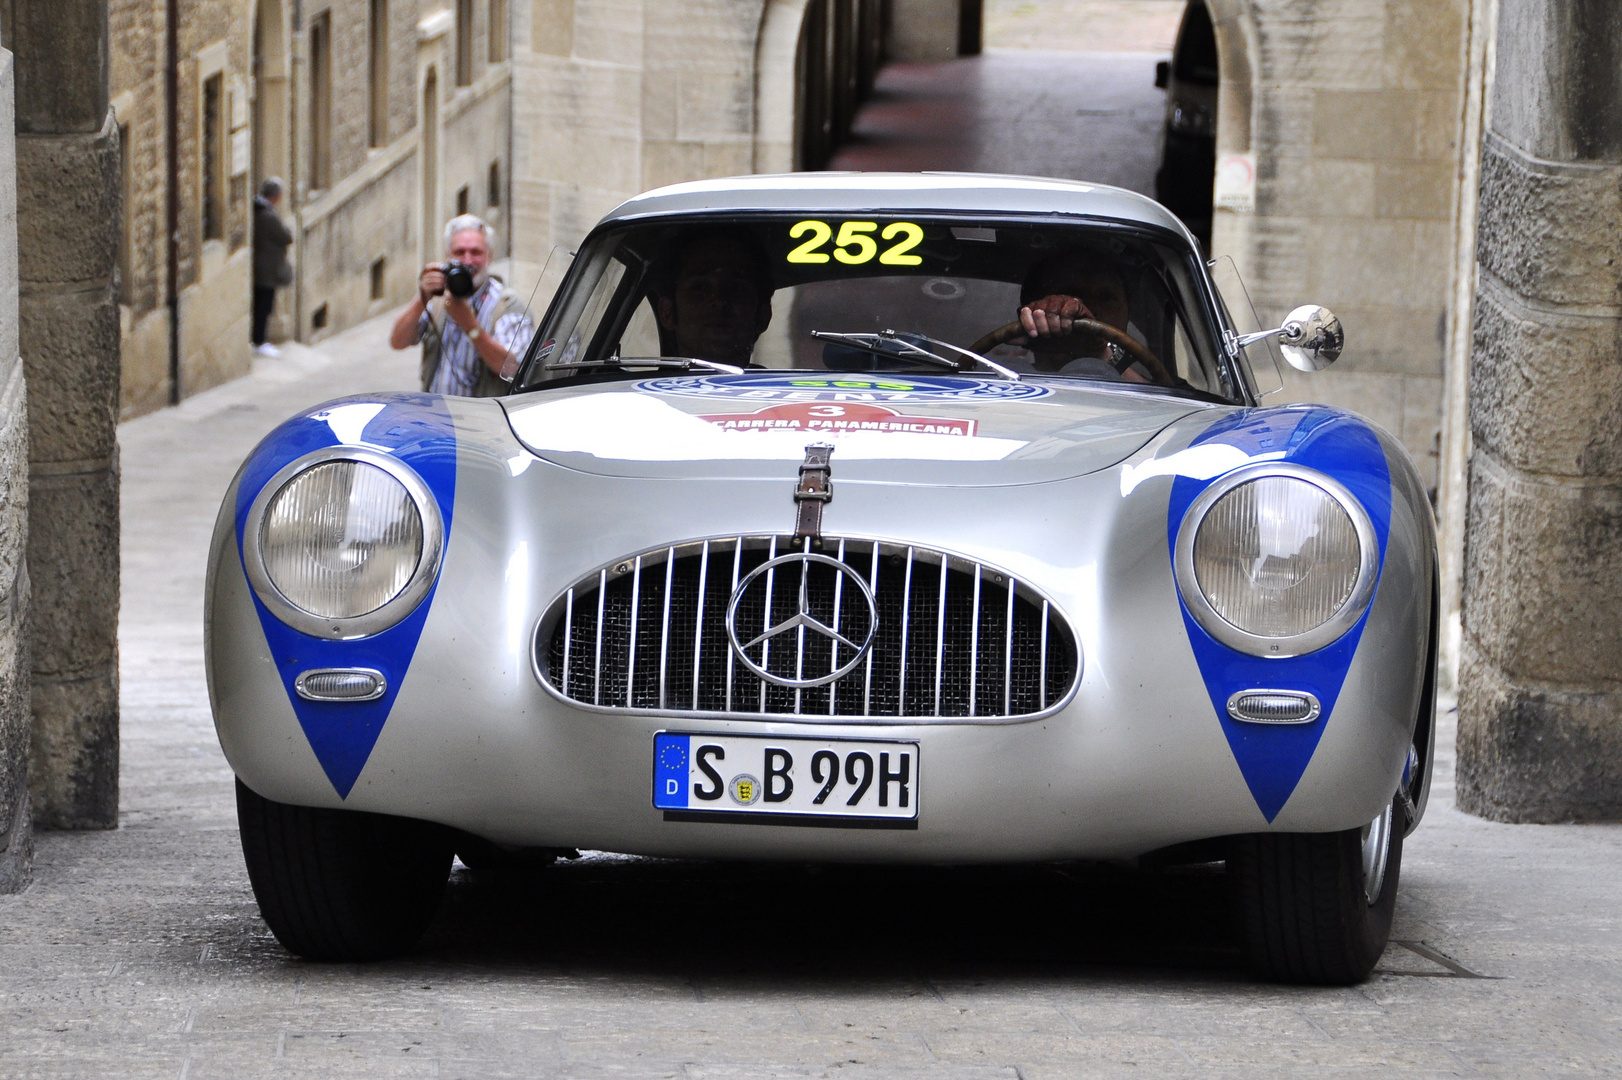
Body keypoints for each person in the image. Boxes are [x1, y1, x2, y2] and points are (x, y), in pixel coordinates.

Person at [390, 215, 533, 396]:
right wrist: (422, 297)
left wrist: (470, 326)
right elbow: (397, 342)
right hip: (436, 413)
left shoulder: (507, 304)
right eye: (459, 252)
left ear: (489, 257)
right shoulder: (438, 299)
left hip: (480, 419)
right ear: (448, 257)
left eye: (476, 252)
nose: (467, 261)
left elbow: (513, 368)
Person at [990, 250, 1153, 382]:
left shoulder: (1160, 400)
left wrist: (1099, 352)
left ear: (1127, 312)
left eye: (1105, 297)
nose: (1089, 308)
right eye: (1069, 294)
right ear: (1031, 311)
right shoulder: (991, 381)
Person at [652, 228, 774, 367]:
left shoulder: (788, 389)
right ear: (667, 312)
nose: (719, 301)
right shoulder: (627, 388)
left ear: (763, 316)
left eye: (736, 289)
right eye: (700, 288)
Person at [251, 178, 294, 357]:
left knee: (261, 303)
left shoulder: (258, 211)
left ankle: (258, 339)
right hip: (267, 268)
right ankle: (259, 341)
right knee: (264, 305)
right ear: (276, 196)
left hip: (262, 265)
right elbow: (286, 236)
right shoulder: (268, 215)